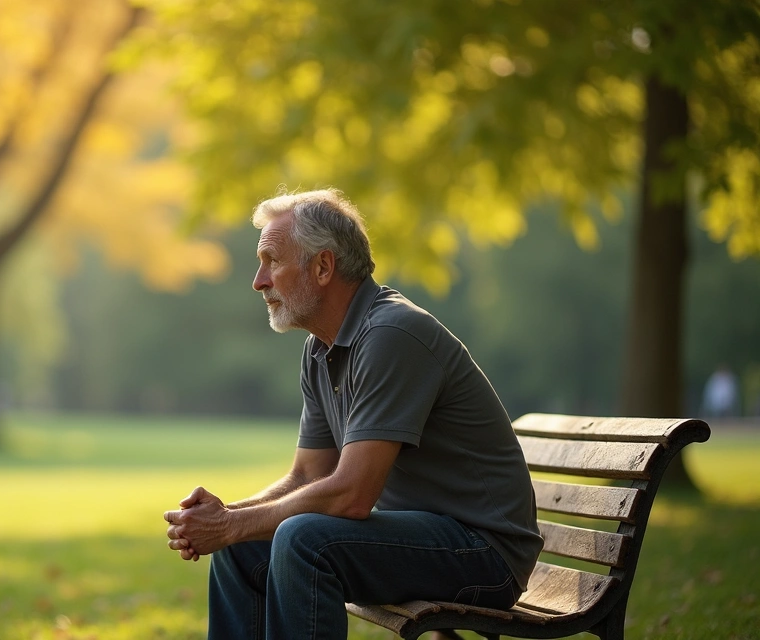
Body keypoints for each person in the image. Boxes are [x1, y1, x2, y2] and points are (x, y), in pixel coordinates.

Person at [163, 190, 543, 640]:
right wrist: (226, 518)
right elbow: (306, 475)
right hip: (425, 538)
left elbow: (351, 497)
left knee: (302, 539)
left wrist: (229, 524)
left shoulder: (391, 334)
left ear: (323, 267)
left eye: (272, 261)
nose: (258, 281)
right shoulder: (321, 348)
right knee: (243, 548)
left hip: (484, 552)